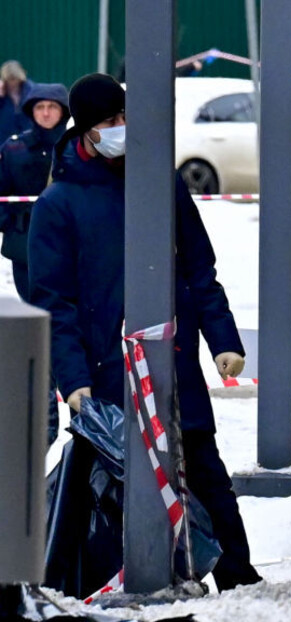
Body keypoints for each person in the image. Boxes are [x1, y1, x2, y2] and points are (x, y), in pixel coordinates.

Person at [27, 73, 262, 592]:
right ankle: (86, 582)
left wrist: (223, 340)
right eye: (110, 122)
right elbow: (54, 304)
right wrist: (73, 380)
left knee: (205, 474)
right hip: (104, 377)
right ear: (86, 130)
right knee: (105, 489)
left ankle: (239, 580)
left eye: (125, 117)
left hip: (173, 365)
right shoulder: (59, 205)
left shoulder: (162, 183)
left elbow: (199, 270)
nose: (122, 129)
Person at [0, 82, 69, 444]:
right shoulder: (13, 148)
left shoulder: (73, 148)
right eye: (39, 107)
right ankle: (41, 409)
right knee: (35, 321)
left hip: (66, 252)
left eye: (52, 107)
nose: (45, 113)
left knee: (65, 323)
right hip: (25, 250)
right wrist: (11, 221)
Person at [0, 60, 36, 139]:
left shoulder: (30, 89)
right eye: (10, 79)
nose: (13, 83)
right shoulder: (2, 91)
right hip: (4, 135)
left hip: (27, 132)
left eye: (15, 79)